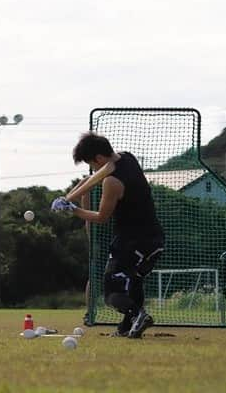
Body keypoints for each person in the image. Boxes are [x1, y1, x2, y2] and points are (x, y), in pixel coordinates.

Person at [52, 132, 164, 339]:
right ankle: (126, 327)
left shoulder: (112, 182)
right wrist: (69, 197)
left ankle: (138, 315)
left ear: (99, 159)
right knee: (134, 281)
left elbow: (102, 217)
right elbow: (95, 177)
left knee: (112, 292)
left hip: (132, 242)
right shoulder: (126, 157)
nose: (93, 169)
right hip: (155, 239)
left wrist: (73, 210)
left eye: (91, 164)